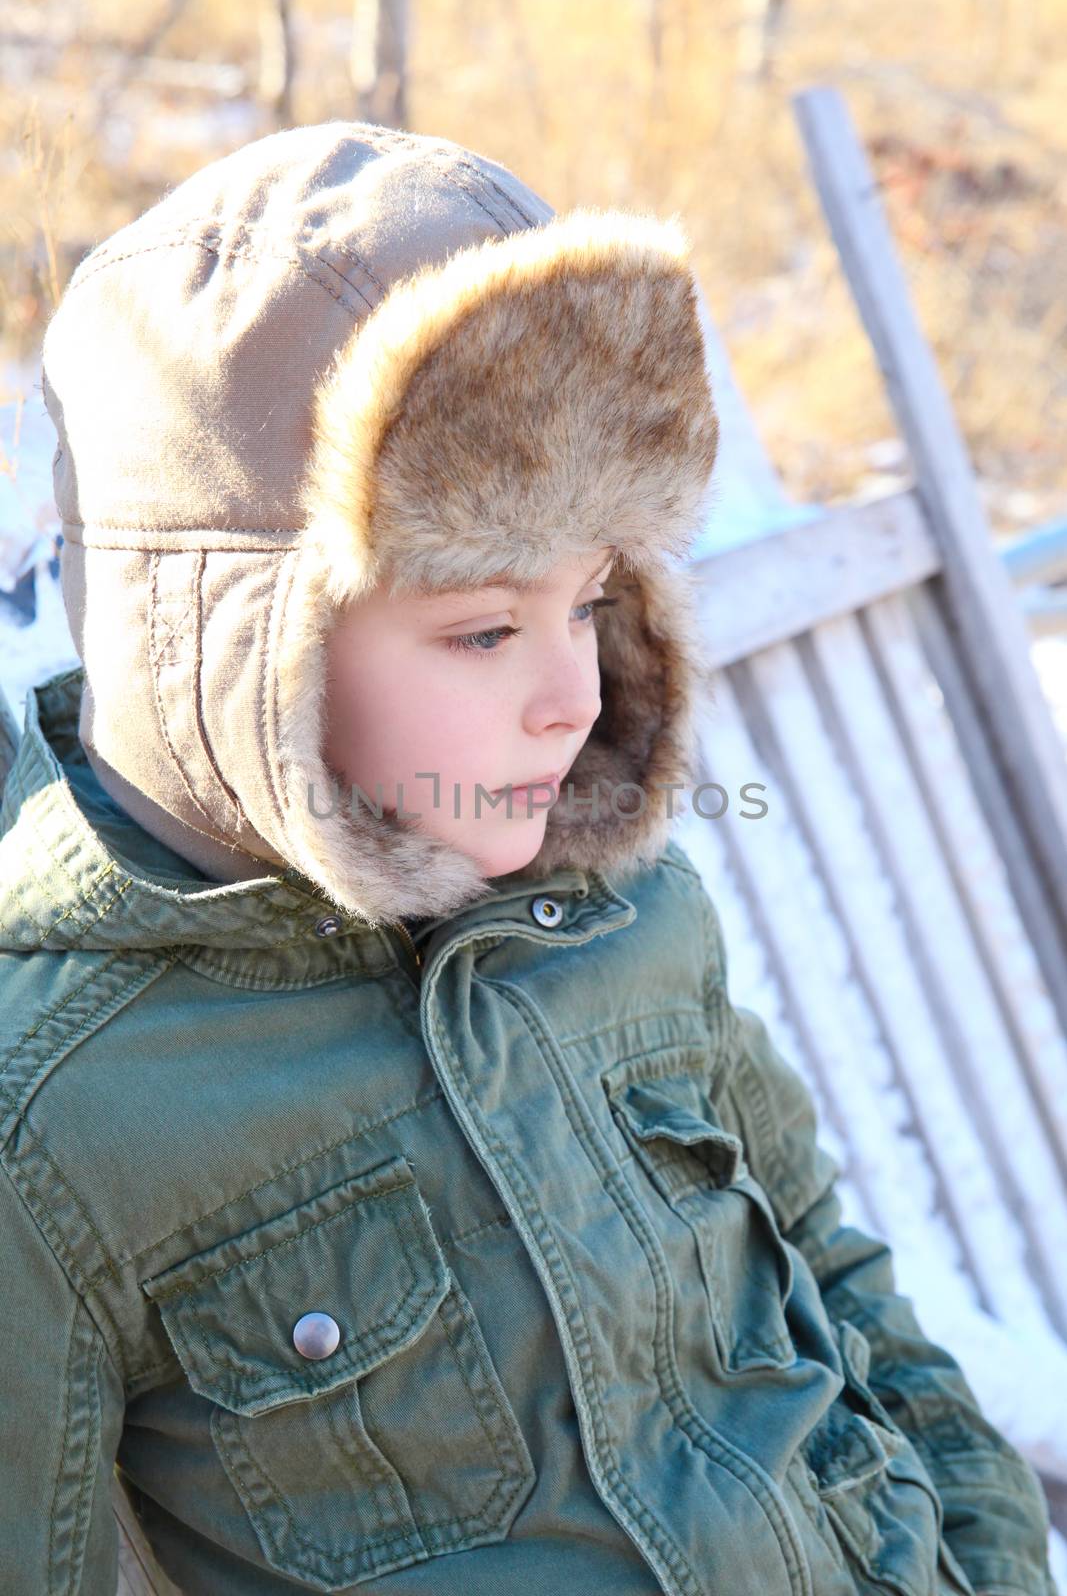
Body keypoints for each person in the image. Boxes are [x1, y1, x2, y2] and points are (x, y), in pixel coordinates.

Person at [0, 120, 1056, 1596]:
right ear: (232, 650)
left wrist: (990, 1549)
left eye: (593, 600)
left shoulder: (618, 913)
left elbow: (818, 1249)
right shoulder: (67, 1110)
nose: (573, 695)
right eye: (485, 628)